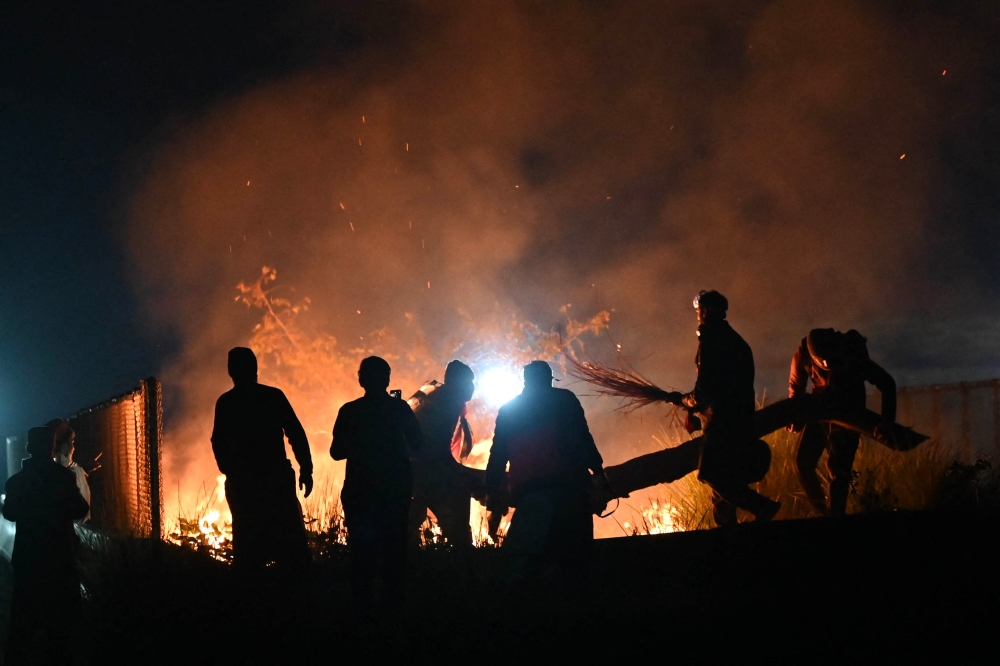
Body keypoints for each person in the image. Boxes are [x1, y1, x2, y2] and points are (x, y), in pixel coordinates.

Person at [485, 360, 609, 596]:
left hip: (530, 495)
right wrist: (599, 474)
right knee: (576, 568)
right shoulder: (564, 400)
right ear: (549, 379)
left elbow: (498, 453)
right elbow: (582, 439)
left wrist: (492, 490)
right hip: (570, 490)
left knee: (524, 569)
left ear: (525, 381)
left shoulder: (509, 410)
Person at [331, 356, 424, 619]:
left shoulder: (350, 411)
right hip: (394, 490)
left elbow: (336, 452)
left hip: (360, 490)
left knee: (362, 553)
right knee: (395, 552)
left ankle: (362, 611)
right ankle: (392, 613)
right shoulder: (400, 409)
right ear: (387, 380)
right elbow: (418, 444)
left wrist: (361, 443)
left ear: (361, 379)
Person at [682, 290, 780, 526]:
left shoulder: (711, 341)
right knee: (723, 491)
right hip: (740, 418)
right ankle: (728, 538)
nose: (697, 314)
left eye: (698, 310)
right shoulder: (736, 341)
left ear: (705, 312)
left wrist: (688, 401)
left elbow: (705, 388)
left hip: (722, 422)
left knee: (711, 473)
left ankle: (762, 506)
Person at [211, 347, 313, 571]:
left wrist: (230, 471)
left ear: (230, 371)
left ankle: (254, 588)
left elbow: (218, 441)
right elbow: (295, 432)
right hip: (275, 480)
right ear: (255, 369)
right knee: (289, 542)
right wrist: (306, 468)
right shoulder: (272, 396)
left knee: (248, 544)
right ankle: (295, 586)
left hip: (245, 484)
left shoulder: (227, 402)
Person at [3, 426, 90, 665]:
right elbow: (81, 509)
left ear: (28, 448)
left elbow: (9, 513)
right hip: (59, 561)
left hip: (28, 562)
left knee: (22, 626)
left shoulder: (17, 482)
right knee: (60, 627)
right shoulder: (64, 478)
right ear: (52, 447)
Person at [789, 328, 897, 516]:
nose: (828, 364)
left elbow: (887, 383)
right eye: (822, 362)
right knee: (802, 462)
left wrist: (887, 421)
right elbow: (796, 387)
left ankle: (836, 518)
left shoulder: (851, 353)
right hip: (820, 410)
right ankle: (823, 514)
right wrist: (794, 415)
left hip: (849, 413)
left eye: (830, 359)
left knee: (839, 471)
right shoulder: (803, 355)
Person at [408, 360, 482, 548]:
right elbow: (436, 448)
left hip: (415, 468)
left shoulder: (438, 396)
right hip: (424, 469)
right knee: (457, 526)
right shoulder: (448, 402)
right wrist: (462, 474)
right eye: (468, 381)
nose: (472, 387)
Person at [47, 418, 92, 523]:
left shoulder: (41, 474)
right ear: (64, 448)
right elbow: (81, 510)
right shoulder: (63, 478)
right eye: (72, 442)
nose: (74, 448)